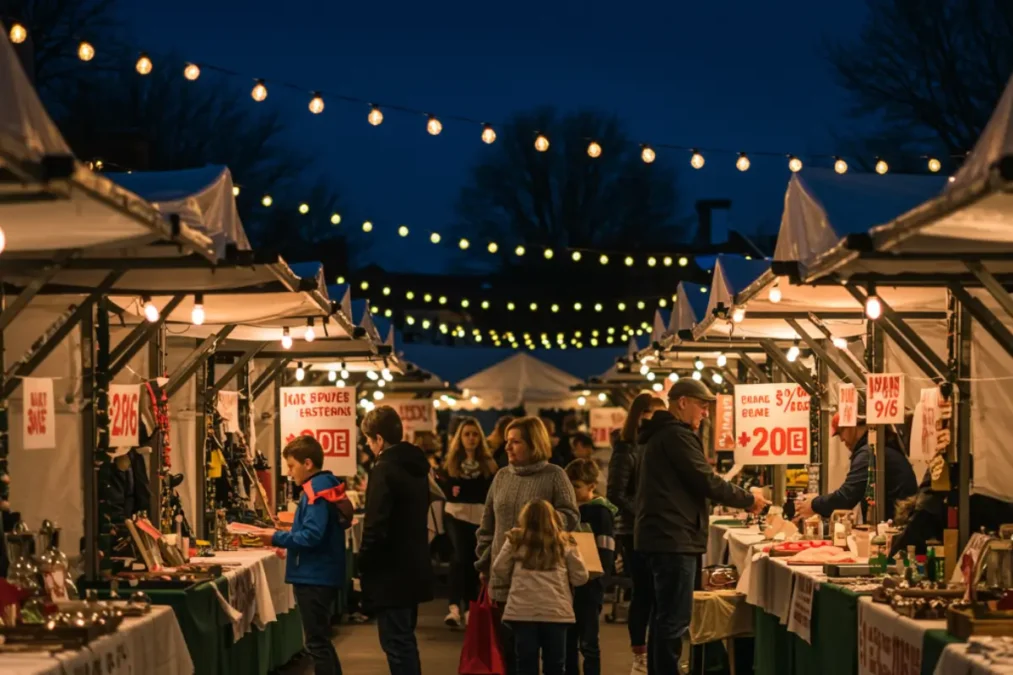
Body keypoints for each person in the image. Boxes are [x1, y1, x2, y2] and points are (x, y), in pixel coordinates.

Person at [636, 380, 768, 675]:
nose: (706, 413)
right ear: (682, 402)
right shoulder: (675, 436)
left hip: (662, 536)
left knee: (662, 619)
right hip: (673, 538)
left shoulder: (659, 435)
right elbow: (706, 480)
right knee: (674, 620)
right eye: (702, 405)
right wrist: (749, 499)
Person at [476, 416, 580, 675]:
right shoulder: (501, 477)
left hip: (542, 582)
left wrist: (540, 523)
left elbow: (571, 516)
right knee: (511, 656)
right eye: (506, 442)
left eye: (515, 442)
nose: (507, 448)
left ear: (534, 444)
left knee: (551, 657)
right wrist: (484, 561)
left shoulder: (555, 475)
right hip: (502, 579)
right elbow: (487, 524)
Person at [259, 435, 354, 675]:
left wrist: (276, 537)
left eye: (291, 466)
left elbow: (312, 536)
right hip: (320, 573)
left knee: (317, 643)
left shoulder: (315, 490)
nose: (289, 473)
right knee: (321, 641)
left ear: (308, 463)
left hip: (314, 576)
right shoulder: (325, 485)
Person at [358, 406, 435, 675]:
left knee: (395, 642)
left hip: (390, 572)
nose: (368, 447)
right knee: (405, 640)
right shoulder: (417, 467)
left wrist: (362, 562)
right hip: (413, 564)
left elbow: (375, 524)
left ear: (379, 439)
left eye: (368, 440)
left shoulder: (385, 469)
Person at [492, 500, 590, 675]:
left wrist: (514, 578)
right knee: (555, 665)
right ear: (553, 519)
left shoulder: (515, 540)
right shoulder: (565, 542)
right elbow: (581, 577)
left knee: (525, 664)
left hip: (522, 612)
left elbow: (499, 567)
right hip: (556, 612)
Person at [607, 393, 666, 674]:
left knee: (657, 594)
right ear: (641, 415)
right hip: (632, 530)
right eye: (654, 414)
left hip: (655, 528)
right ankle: (639, 656)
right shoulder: (625, 447)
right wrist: (643, 510)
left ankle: (654, 654)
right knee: (643, 592)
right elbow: (615, 493)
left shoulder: (656, 445)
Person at [795, 413, 918, 523]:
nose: (842, 439)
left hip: (896, 526)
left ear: (851, 425)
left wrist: (814, 504)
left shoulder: (868, 453)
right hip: (897, 524)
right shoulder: (877, 448)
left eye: (841, 431)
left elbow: (846, 497)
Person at [439, 416, 498, 628]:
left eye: (474, 434)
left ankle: (469, 607)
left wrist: (463, 491)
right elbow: (447, 491)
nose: (471, 438)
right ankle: (455, 607)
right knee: (459, 556)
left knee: (474, 560)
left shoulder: (489, 464)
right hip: (456, 515)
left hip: (480, 518)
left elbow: (488, 492)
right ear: (460, 438)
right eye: (467, 434)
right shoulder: (450, 462)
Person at [565, 459, 616, 675]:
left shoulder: (600, 513)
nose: (571, 491)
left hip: (590, 586)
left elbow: (606, 552)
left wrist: (600, 582)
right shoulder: (566, 511)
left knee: (588, 643)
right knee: (567, 642)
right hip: (567, 586)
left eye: (576, 486)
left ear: (591, 486)